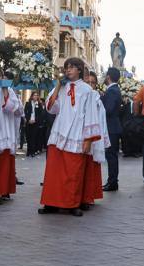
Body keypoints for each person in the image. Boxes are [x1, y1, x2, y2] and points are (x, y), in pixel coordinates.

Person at [39, 57, 103, 217]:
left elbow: (90, 115)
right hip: (59, 132)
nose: (68, 70)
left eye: (72, 67)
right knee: (54, 171)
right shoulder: (61, 87)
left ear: (79, 70)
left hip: (76, 134)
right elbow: (51, 108)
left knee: (74, 172)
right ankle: (51, 203)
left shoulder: (87, 90)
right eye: (66, 67)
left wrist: (88, 139)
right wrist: (59, 85)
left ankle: (72, 204)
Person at [0, 61, 23, 203]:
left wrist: (5, 90)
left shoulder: (9, 91)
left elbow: (14, 109)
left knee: (2, 163)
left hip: (4, 130)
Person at [84, 71, 110, 209]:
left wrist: (103, 138)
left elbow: (102, 121)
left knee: (93, 167)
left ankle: (90, 195)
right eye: (87, 82)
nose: (90, 85)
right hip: (83, 136)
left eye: (93, 83)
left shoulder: (97, 100)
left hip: (95, 138)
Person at [101, 67, 122, 191]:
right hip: (112, 127)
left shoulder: (112, 91)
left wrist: (101, 99)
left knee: (111, 156)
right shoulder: (112, 90)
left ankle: (113, 182)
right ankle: (112, 181)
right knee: (111, 155)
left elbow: (108, 110)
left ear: (108, 77)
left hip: (111, 128)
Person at [24, 92, 46, 156]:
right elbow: (25, 112)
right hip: (28, 123)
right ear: (32, 96)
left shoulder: (39, 104)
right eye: (34, 95)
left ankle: (33, 152)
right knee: (28, 137)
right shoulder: (28, 103)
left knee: (34, 138)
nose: (36, 96)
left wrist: (35, 120)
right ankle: (28, 151)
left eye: (37, 95)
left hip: (35, 123)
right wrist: (28, 120)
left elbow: (40, 115)